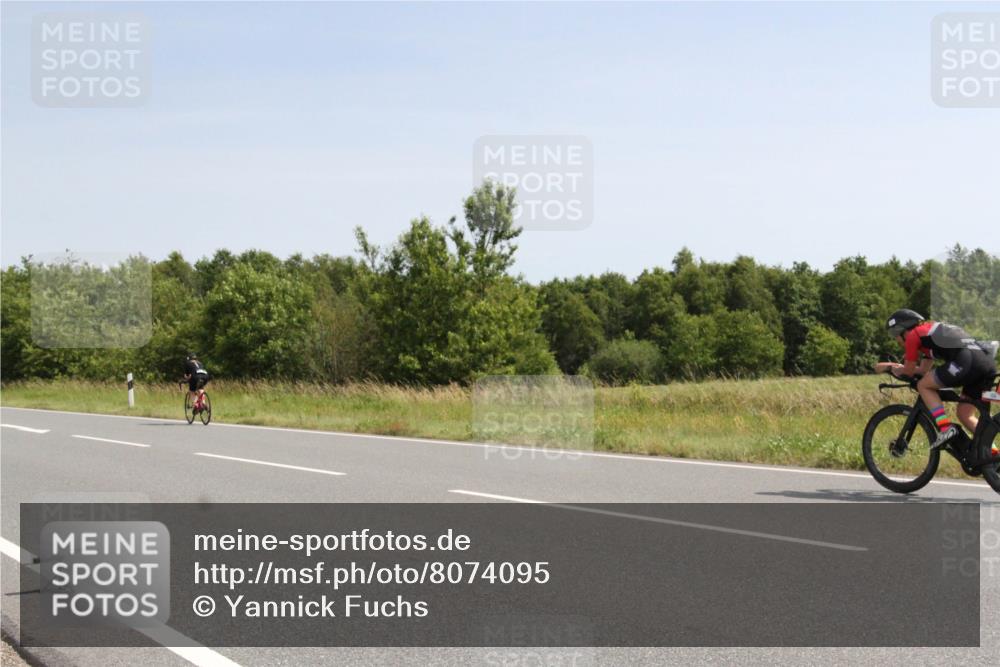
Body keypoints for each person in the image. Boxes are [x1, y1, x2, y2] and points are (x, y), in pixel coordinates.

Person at [874, 309, 998, 451]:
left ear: (902, 330)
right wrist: (902, 368)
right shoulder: (928, 334)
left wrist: (890, 367)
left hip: (966, 362)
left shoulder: (913, 335)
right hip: (984, 363)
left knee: (923, 386)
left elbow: (908, 372)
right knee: (965, 414)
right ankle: (993, 456)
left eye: (895, 334)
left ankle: (945, 428)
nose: (896, 340)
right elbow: (922, 370)